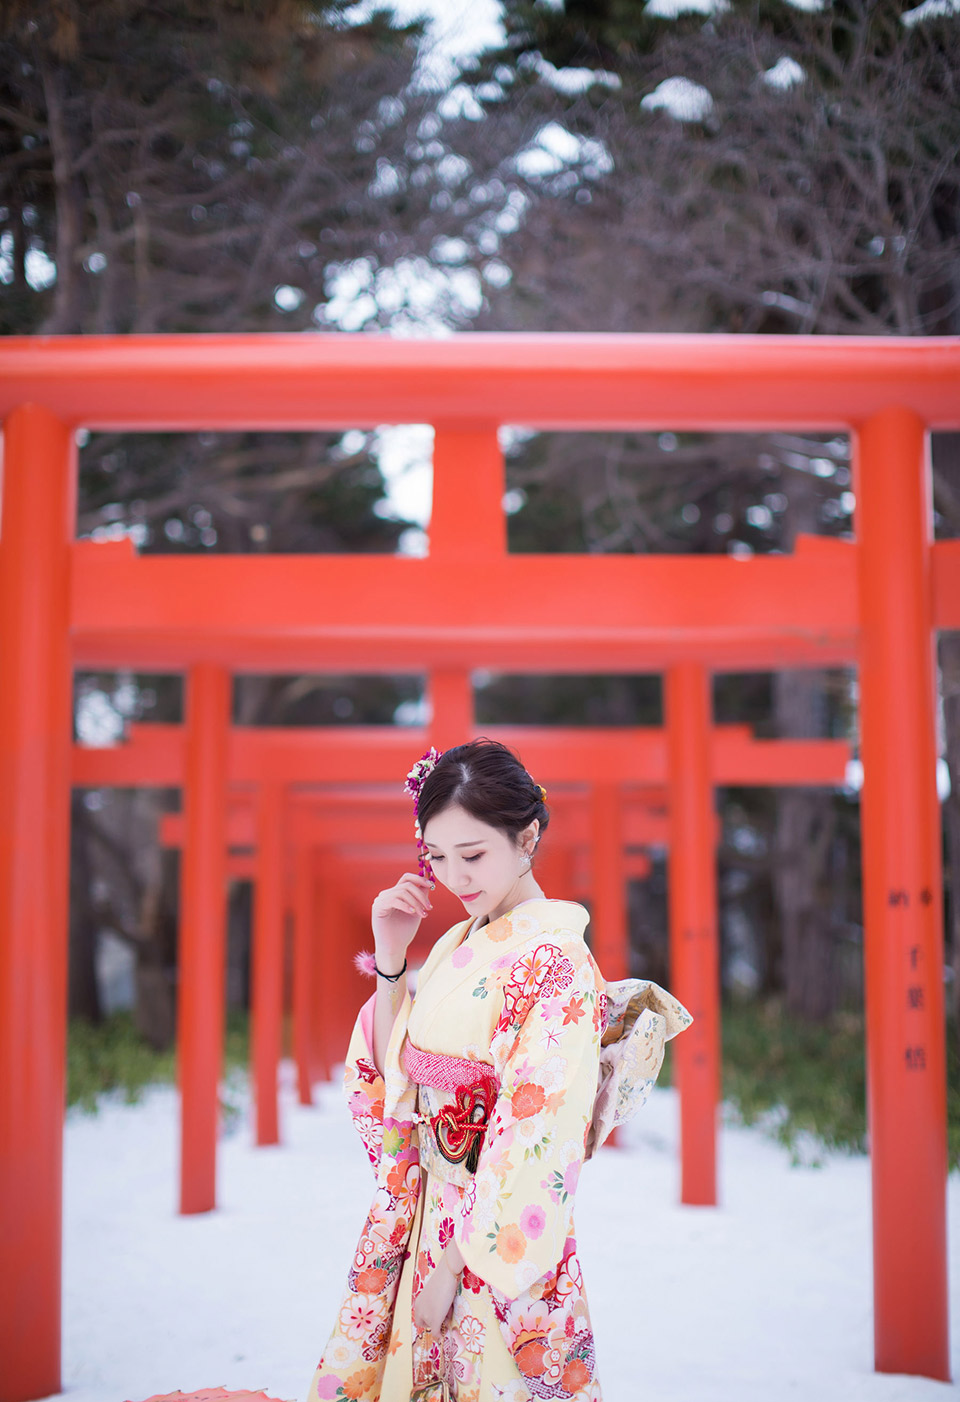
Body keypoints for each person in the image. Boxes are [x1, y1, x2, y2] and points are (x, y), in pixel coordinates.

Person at [307, 739, 692, 1402]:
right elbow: (398, 1078)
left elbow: (539, 1132)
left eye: (474, 854)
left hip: (496, 1242)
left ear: (528, 836)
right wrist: (392, 961)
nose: (455, 878)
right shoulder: (460, 942)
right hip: (431, 1216)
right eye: (436, 857)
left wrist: (458, 1266)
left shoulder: (557, 963)